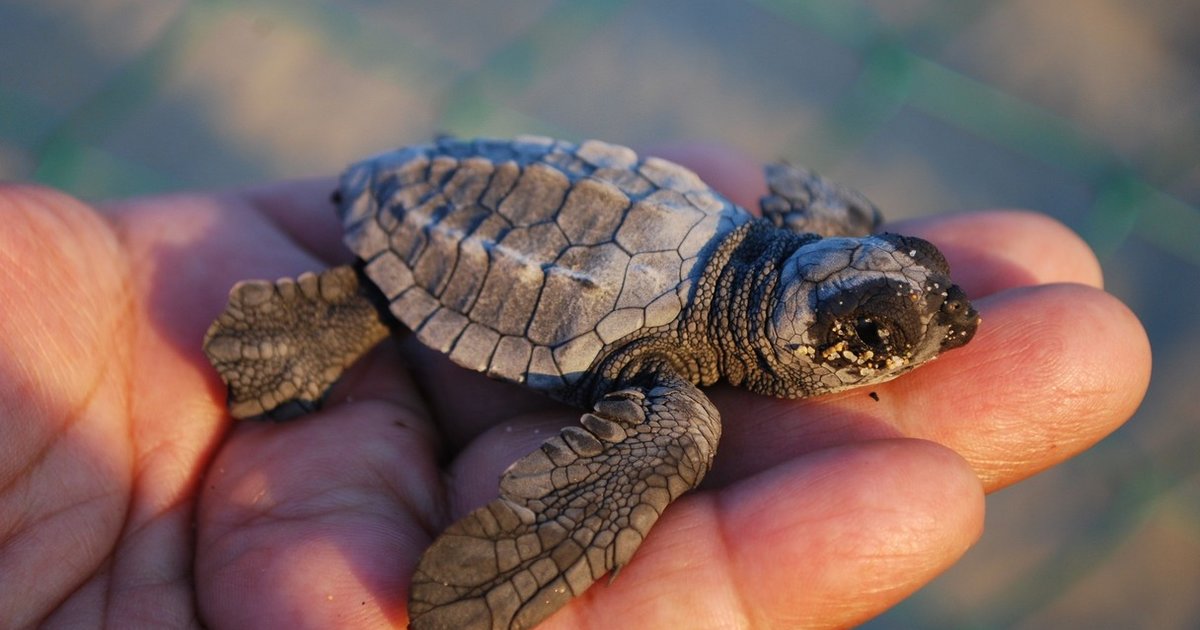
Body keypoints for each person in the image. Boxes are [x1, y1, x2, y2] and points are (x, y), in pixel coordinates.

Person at [0, 147, 1150, 628]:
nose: (922, 333)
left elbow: (818, 214)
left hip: (524, 180)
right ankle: (340, 309)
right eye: (879, 325)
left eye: (914, 282)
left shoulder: (752, 228)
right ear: (809, 338)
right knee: (672, 438)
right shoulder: (679, 384)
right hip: (423, 236)